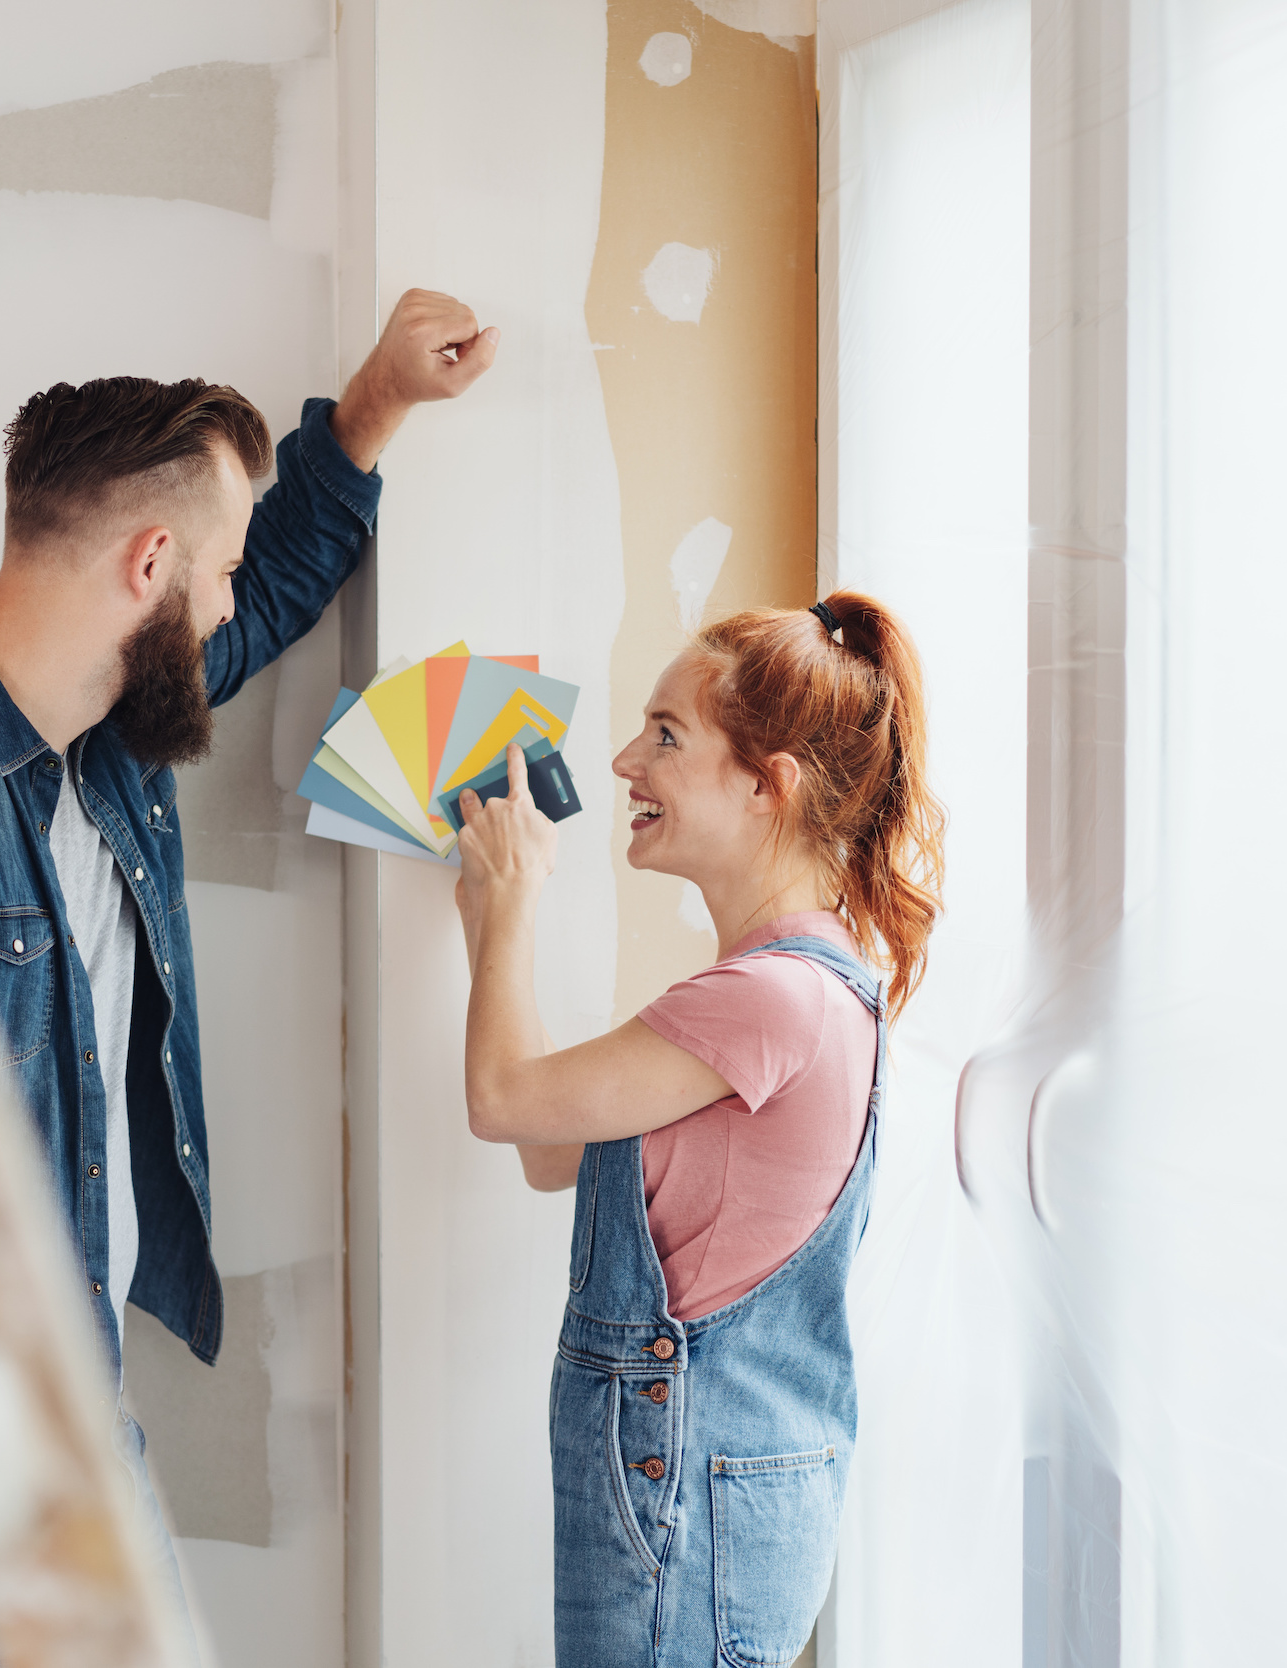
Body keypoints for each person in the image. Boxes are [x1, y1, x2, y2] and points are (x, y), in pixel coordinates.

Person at [0, 290, 499, 1642]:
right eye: (207, 577)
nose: (224, 612)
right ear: (148, 566)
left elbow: (261, 600)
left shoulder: (98, 734)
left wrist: (375, 406)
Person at [450, 594, 944, 1665]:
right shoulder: (795, 989)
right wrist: (489, 917)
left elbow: (498, 1101)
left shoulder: (765, 1001)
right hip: (705, 1491)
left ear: (767, 786)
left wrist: (520, 903)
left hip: (683, 1491)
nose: (627, 759)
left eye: (667, 736)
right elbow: (547, 1152)